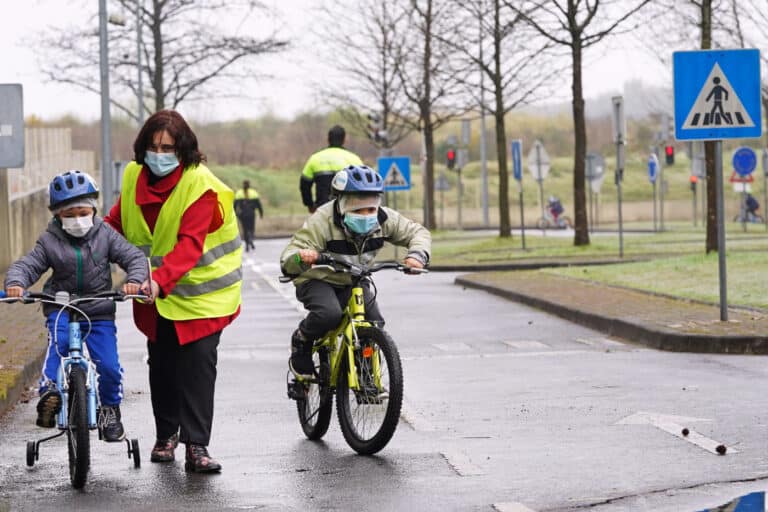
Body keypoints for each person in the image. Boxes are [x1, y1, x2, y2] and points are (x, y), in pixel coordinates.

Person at [104, 109, 242, 474]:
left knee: (197, 365)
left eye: (168, 147)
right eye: (153, 146)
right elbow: (115, 221)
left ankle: (197, 445)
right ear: (143, 148)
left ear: (183, 150)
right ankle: (166, 436)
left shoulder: (201, 186)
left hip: (203, 294)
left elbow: (189, 245)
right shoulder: (134, 176)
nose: (160, 154)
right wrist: (83, 246)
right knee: (162, 363)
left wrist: (159, 281)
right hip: (157, 295)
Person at [4, 170, 148, 441]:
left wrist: (135, 280)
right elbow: (28, 265)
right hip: (61, 307)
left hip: (98, 310)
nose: (77, 220)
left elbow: (134, 258)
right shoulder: (49, 241)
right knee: (58, 347)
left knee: (109, 366)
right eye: (69, 215)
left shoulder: (106, 235)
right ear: (57, 215)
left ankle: (109, 411)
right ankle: (50, 393)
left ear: (94, 209)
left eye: (82, 212)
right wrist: (16, 282)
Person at [280, 164, 431, 380]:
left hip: (354, 277)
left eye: (371, 208)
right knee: (328, 314)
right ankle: (302, 339)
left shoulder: (384, 219)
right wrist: (302, 258)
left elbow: (417, 232)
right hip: (318, 278)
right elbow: (288, 258)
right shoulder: (322, 221)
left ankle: (365, 369)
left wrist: (417, 256)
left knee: (374, 322)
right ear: (341, 204)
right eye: (357, 208)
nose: (366, 214)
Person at [300, 125, 363, 213]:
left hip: (322, 210)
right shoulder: (355, 159)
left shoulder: (315, 158)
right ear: (345, 140)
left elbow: (304, 185)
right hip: (348, 210)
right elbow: (362, 186)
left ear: (328, 139)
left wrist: (309, 204)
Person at [234, 179, 264, 252]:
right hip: (251, 214)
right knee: (251, 228)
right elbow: (259, 205)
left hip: (243, 214)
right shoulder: (254, 193)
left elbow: (234, 205)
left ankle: (247, 245)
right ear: (249, 185)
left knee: (245, 229)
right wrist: (261, 213)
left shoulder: (239, 193)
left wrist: (235, 214)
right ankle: (251, 238)